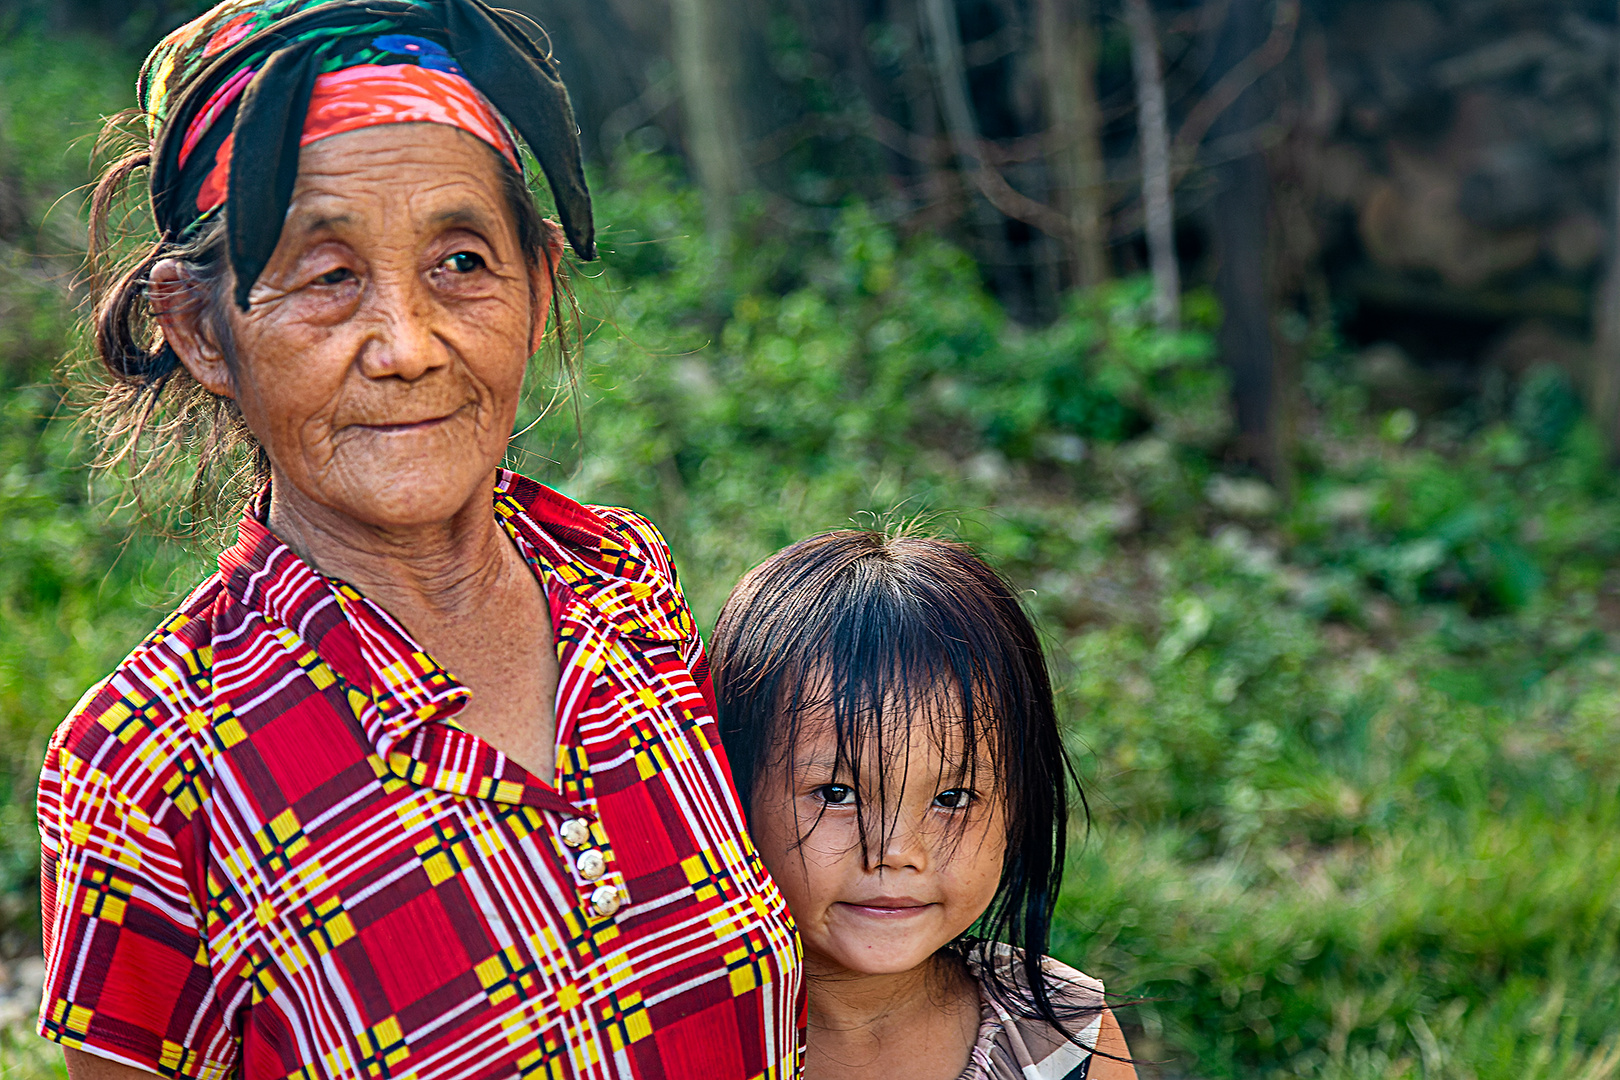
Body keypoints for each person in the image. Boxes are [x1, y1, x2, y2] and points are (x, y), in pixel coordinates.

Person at [37, 2, 800, 1077]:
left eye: (458, 262)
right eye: (328, 274)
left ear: (534, 286)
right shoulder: (152, 767)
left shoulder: (627, 585)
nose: (405, 345)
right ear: (203, 330)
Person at [709, 531, 1137, 1080]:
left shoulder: (1061, 1038)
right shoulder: (679, 1043)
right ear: (729, 788)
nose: (897, 852)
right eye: (837, 794)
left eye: (952, 799)